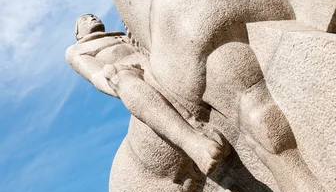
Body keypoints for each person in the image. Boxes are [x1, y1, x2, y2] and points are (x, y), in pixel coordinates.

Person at [66, 14, 227, 175]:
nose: (93, 18)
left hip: (157, 65)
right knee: (114, 74)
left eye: (93, 16)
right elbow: (98, 77)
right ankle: (192, 143)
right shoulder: (77, 50)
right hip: (131, 77)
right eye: (84, 20)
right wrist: (118, 78)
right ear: (78, 34)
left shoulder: (122, 35)